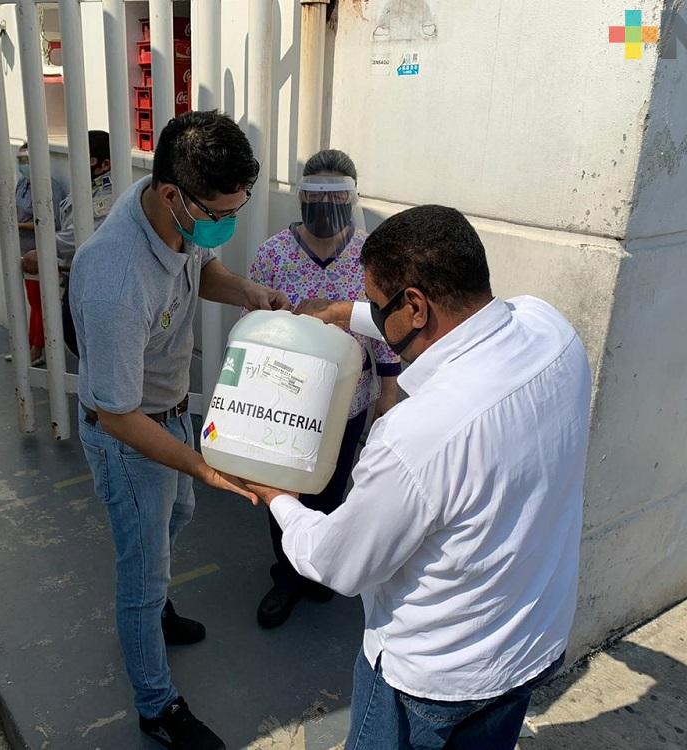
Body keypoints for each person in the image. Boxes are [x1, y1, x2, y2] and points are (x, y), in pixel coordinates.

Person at [247, 205, 593, 749]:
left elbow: (338, 563)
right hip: (532, 645)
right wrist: (346, 313)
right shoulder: (552, 330)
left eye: (375, 303)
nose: (372, 312)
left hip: (434, 680)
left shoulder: (417, 435)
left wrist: (279, 497)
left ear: (414, 307)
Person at [69, 111, 289, 750]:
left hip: (169, 414)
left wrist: (246, 291)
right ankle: (157, 706)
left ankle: (157, 605)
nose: (227, 223)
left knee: (178, 515)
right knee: (141, 572)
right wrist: (203, 466)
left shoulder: (179, 217)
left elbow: (202, 269)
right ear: (172, 193)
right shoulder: (114, 278)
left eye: (237, 209)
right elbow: (117, 414)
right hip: (128, 435)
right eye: (220, 213)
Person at [247, 148, 401, 629]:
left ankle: (321, 567)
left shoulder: (371, 258)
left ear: (351, 198)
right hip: (285, 402)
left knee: (333, 487)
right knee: (284, 491)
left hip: (348, 402)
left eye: (337, 196)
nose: (326, 205)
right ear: (301, 198)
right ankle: (287, 576)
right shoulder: (273, 255)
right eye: (316, 196)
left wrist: (387, 397)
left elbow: (387, 332)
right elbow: (255, 331)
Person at [20, 130, 115, 356]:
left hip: (98, 283)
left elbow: (79, 235)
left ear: (105, 164)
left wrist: (43, 251)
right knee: (75, 338)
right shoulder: (87, 187)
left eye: (86, 159)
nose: (77, 165)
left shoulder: (109, 195)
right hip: (76, 277)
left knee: (90, 345)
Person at [16, 142, 67, 365]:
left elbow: (52, 223)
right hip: (24, 251)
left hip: (41, 252)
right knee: (33, 301)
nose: (23, 165)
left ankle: (37, 350)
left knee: (41, 303)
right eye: (20, 161)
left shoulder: (50, 188)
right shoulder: (22, 184)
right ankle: (32, 346)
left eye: (27, 161)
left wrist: (19, 225)